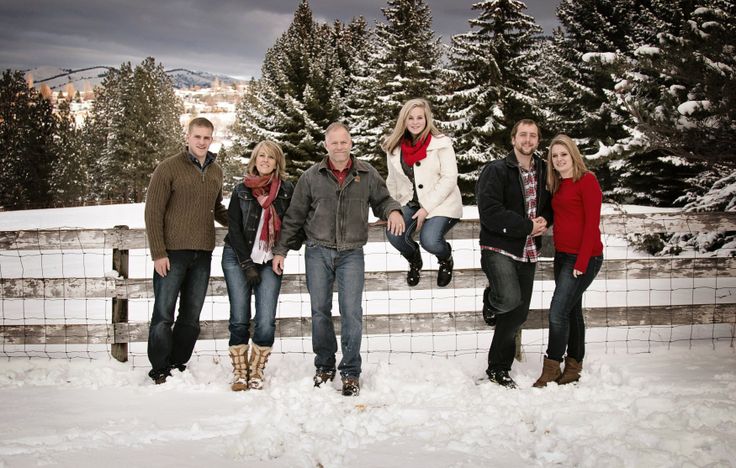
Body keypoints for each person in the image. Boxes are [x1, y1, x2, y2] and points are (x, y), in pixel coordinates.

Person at [272, 122, 404, 397]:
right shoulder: (311, 176)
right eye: (334, 143)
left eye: (344, 142)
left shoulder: (365, 173)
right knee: (320, 310)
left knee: (351, 312)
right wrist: (281, 250)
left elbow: (383, 199)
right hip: (318, 250)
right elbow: (294, 216)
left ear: (351, 143)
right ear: (326, 145)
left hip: (351, 253)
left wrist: (393, 211)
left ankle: (351, 372)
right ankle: (324, 365)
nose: (339, 147)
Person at [144, 117, 228, 384]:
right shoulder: (168, 168)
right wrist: (158, 252)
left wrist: (244, 223)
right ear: (188, 137)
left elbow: (218, 209)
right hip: (172, 253)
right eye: (197, 137)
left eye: (207, 137)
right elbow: (153, 212)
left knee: (191, 315)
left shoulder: (216, 170)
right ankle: (159, 367)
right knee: (163, 313)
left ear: (211, 139)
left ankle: (177, 362)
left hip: (202, 252)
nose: (202, 142)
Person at [475, 118, 553, 388]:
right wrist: (526, 226)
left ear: (538, 140)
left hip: (529, 250)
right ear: (513, 139)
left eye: (533, 136)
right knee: (507, 299)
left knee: (517, 316)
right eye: (523, 135)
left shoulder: (545, 170)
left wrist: (544, 222)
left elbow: (551, 204)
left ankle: (498, 368)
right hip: (499, 247)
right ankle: (492, 300)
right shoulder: (496, 170)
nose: (528, 140)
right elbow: (489, 211)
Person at [222, 141, 294, 391]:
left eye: (270, 157)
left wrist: (281, 252)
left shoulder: (286, 190)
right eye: (261, 156)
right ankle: (241, 371)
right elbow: (234, 227)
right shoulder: (241, 188)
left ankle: (257, 368)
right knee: (239, 316)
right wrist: (245, 264)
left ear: (277, 162)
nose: (265, 160)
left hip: (269, 259)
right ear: (254, 160)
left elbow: (292, 224)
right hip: (237, 257)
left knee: (265, 319)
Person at [533, 134, 603, 388]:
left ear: (573, 155)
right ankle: (574, 365)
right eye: (555, 156)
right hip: (562, 255)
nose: (560, 159)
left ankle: (551, 367)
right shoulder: (558, 184)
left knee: (557, 312)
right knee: (572, 311)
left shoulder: (587, 181)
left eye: (564, 154)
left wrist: (582, 263)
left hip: (585, 256)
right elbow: (558, 214)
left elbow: (591, 226)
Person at [382, 98, 463, 287]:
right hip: (411, 202)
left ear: (427, 119)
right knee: (394, 234)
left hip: (442, 202)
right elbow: (392, 181)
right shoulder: (394, 147)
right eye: (410, 117)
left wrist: (426, 208)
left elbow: (450, 178)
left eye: (420, 117)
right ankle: (414, 259)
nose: (415, 122)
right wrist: (390, 210)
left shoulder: (441, 143)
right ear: (404, 120)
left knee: (430, 240)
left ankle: (445, 259)